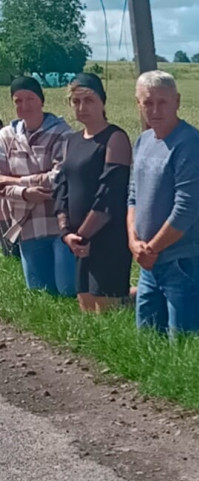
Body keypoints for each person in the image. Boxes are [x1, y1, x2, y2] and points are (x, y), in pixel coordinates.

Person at [127, 70, 199, 337]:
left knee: (183, 343)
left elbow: (186, 209)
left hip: (181, 261)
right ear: (138, 104)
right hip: (148, 263)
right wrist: (133, 242)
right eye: (147, 102)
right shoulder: (143, 141)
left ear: (177, 101)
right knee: (148, 339)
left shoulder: (189, 144)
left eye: (162, 102)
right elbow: (132, 196)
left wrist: (150, 249)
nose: (155, 110)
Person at [54, 73, 132, 312]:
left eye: (89, 100)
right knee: (86, 307)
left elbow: (109, 194)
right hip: (79, 241)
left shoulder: (115, 138)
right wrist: (66, 232)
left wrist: (83, 236)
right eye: (76, 102)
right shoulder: (70, 141)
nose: (82, 107)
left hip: (107, 238)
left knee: (107, 309)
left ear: (103, 102)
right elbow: (61, 188)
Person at [0, 76, 74, 294]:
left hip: (61, 220)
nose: (24, 106)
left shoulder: (62, 132)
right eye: (18, 101)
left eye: (30, 98)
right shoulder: (6, 136)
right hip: (27, 223)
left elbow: (59, 178)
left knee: (68, 289)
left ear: (41, 100)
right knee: (40, 293)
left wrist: (14, 183)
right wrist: (25, 193)